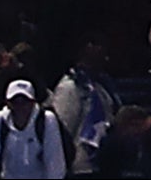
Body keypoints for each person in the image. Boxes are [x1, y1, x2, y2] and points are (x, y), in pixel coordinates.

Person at [47, 37, 117, 176]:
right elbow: (63, 131)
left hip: (102, 164)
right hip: (80, 167)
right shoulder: (69, 87)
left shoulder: (102, 87)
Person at [0, 79, 66, 180]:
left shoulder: (46, 120)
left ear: (33, 102)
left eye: (24, 101)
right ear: (7, 103)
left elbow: (55, 163)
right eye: (15, 102)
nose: (20, 106)